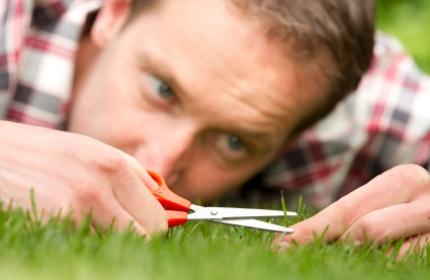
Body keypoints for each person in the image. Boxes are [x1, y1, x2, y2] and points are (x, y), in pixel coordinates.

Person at [1, 0, 429, 255]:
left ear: (296, 138)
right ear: (115, 11)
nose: (159, 163)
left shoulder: (337, 106)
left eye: (234, 141)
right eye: (163, 89)